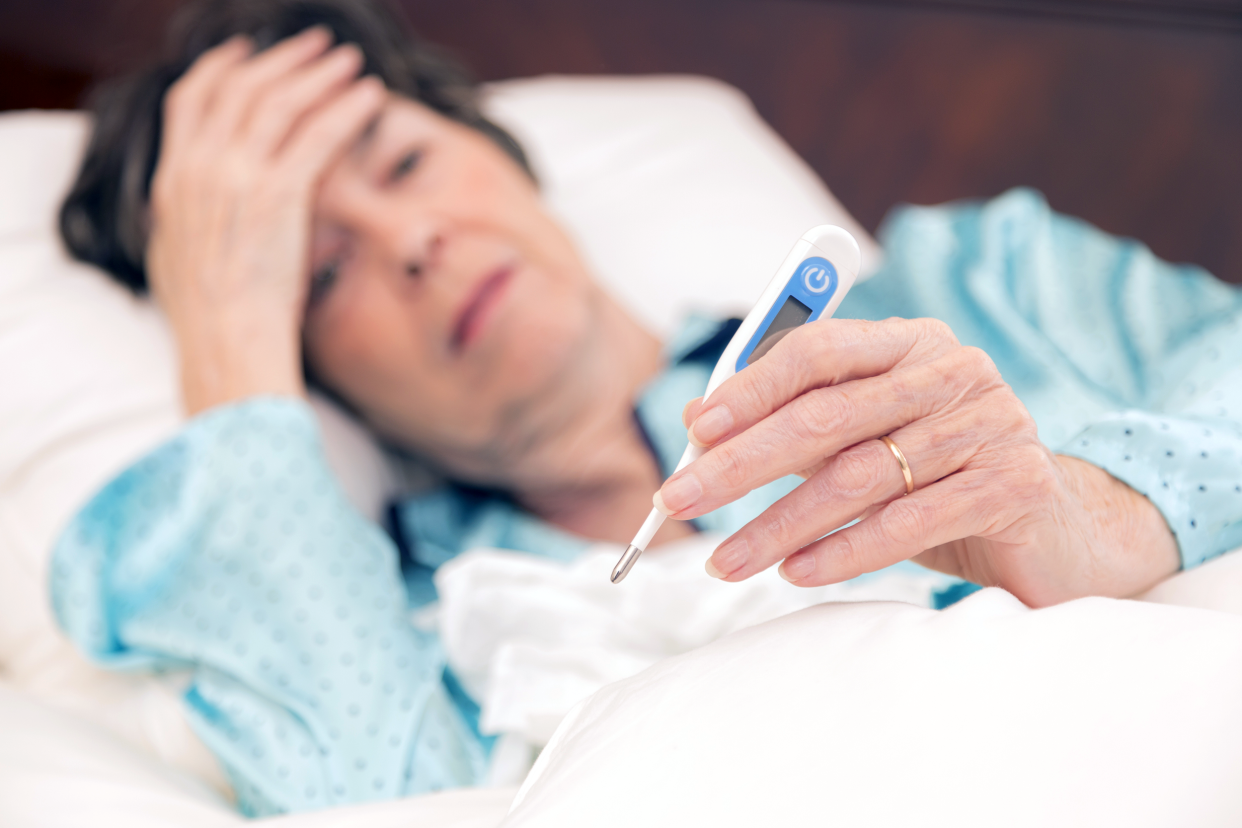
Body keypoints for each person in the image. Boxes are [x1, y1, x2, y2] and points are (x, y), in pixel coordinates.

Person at [52, 0, 1242, 816]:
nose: (409, 241)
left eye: (402, 163)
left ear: (501, 154)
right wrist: (229, 347)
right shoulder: (411, 637)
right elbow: (380, 806)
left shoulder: (982, 285)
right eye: (317, 275)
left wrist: (1106, 514)